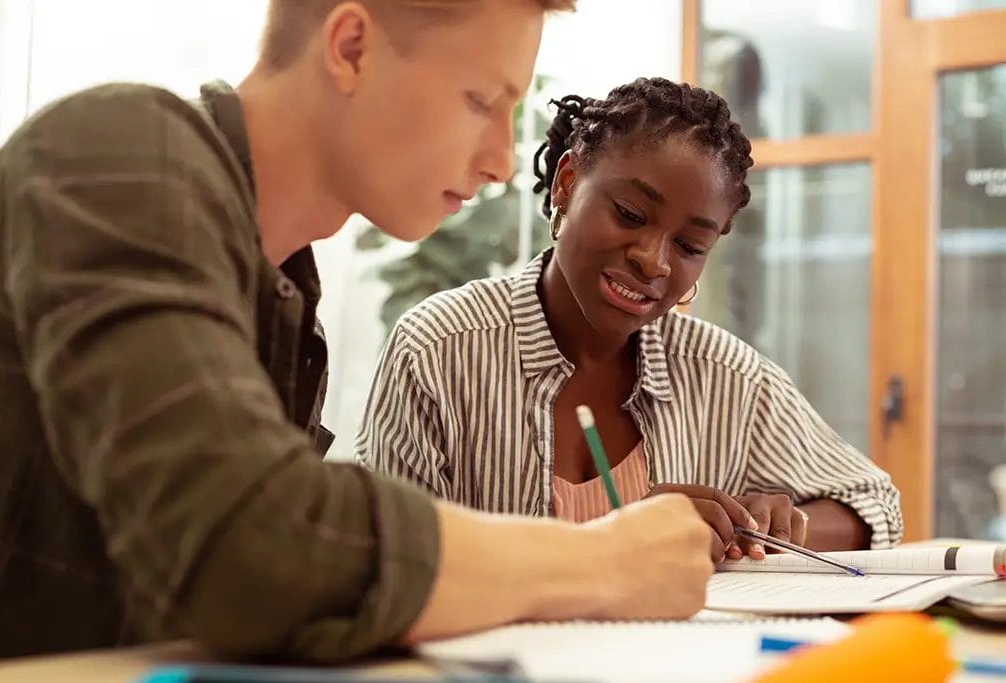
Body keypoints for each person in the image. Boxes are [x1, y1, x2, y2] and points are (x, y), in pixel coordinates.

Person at [0, 1, 717, 663]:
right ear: (352, 47)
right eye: (480, 100)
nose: (499, 161)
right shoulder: (114, 154)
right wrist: (600, 561)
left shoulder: (285, 294)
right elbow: (259, 549)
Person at [356, 77, 904, 562]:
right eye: (630, 215)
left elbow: (875, 503)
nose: (654, 259)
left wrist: (774, 527)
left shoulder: (726, 377)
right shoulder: (436, 352)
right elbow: (384, 562)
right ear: (568, 184)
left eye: (690, 244)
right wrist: (613, 541)